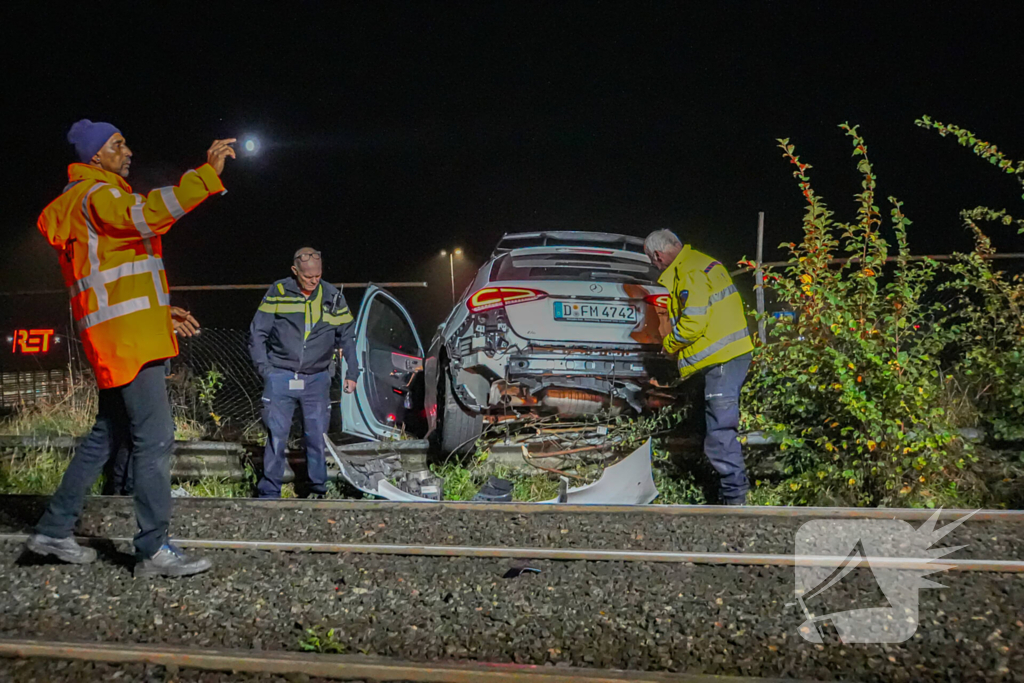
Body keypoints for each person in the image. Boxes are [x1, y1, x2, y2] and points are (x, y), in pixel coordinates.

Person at [25, 119, 235, 577]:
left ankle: (54, 530)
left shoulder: (81, 202)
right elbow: (149, 213)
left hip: (120, 336)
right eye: (117, 144)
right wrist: (206, 174)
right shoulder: (100, 196)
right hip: (131, 343)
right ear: (94, 155)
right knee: (155, 440)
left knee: (105, 435)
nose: (128, 151)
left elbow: (116, 282)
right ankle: (153, 549)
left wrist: (163, 314)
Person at [644, 229, 754, 505]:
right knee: (707, 427)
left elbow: (694, 323)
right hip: (726, 357)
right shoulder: (699, 262)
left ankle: (735, 501)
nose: (655, 266)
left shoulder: (689, 273)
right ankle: (726, 494)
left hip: (723, 359)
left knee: (719, 432)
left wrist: (669, 346)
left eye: (652, 261)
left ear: (658, 256)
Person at [249, 248, 359, 498]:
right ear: (295, 272)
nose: (314, 280)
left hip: (317, 379)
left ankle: (317, 490)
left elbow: (347, 337)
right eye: (308, 276)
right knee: (276, 437)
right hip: (281, 375)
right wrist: (265, 370)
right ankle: (269, 492)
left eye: (318, 275)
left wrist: (352, 372)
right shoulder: (278, 292)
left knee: (316, 438)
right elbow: (258, 333)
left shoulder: (333, 297)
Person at [106, 307, 201, 496]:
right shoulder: (137, 290)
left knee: (131, 433)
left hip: (140, 359)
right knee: (150, 433)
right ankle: (136, 490)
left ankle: (120, 490)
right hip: (143, 361)